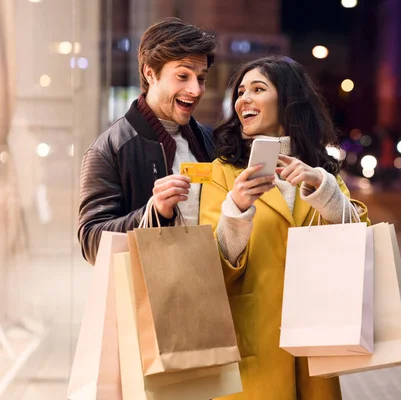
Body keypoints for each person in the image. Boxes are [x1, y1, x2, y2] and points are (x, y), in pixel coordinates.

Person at [200, 56, 371, 400]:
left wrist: (325, 193)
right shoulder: (223, 171)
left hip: (315, 341)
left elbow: (360, 247)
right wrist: (237, 209)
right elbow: (208, 266)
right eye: (241, 91)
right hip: (253, 342)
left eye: (258, 89)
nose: (243, 99)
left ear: (288, 99)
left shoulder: (323, 172)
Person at [78, 18, 216, 264]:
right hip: (142, 296)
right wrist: (153, 213)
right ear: (150, 73)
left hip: (207, 289)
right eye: (183, 76)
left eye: (201, 78)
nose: (196, 90)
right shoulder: (109, 148)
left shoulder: (209, 141)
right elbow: (91, 243)